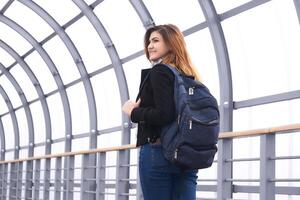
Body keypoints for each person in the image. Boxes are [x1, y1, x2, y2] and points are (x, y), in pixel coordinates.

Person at [122, 24, 200, 200]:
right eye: (149, 41)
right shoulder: (188, 75)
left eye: (156, 40)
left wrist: (133, 112)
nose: (150, 45)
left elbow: (164, 114)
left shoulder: (159, 72)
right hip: (188, 154)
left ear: (171, 44)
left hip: (158, 151)